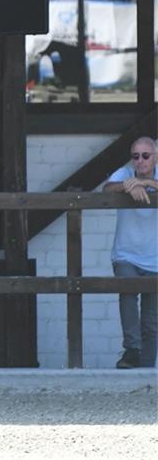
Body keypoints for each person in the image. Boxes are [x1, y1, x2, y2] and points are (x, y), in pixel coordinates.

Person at [102, 136, 157, 369]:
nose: (140, 161)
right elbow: (107, 189)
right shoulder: (124, 173)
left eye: (146, 155)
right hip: (126, 254)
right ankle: (132, 351)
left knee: (151, 321)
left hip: (155, 259)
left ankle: (145, 369)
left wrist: (146, 184)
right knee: (127, 296)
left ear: (155, 157)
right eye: (136, 156)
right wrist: (129, 185)